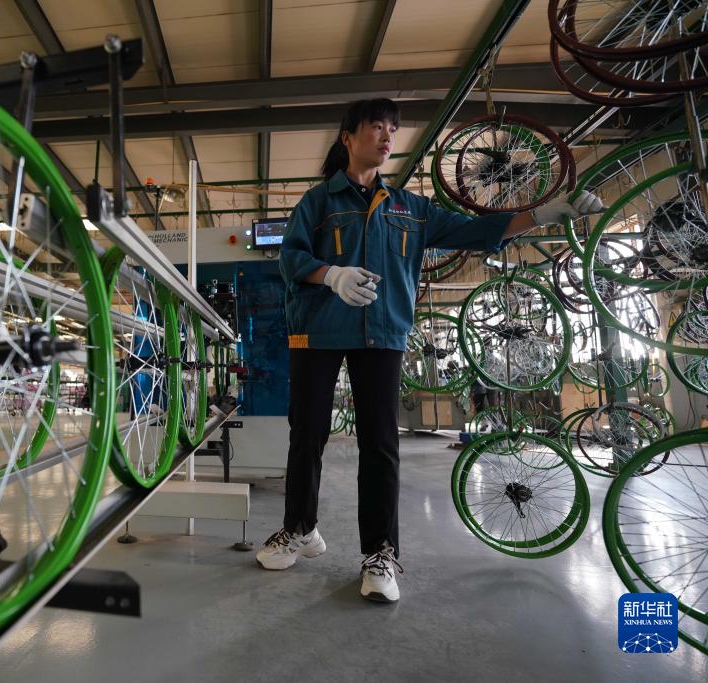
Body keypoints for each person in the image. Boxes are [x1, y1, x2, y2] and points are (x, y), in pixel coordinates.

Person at [255, 98, 603, 603]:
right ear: (348, 137)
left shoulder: (409, 209)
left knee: (380, 442)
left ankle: (380, 553)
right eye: (376, 126)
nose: (387, 136)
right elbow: (290, 258)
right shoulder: (318, 202)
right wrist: (330, 275)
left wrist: (542, 214)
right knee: (306, 432)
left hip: (382, 333)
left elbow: (475, 231)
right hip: (317, 330)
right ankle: (299, 528)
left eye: (392, 129)